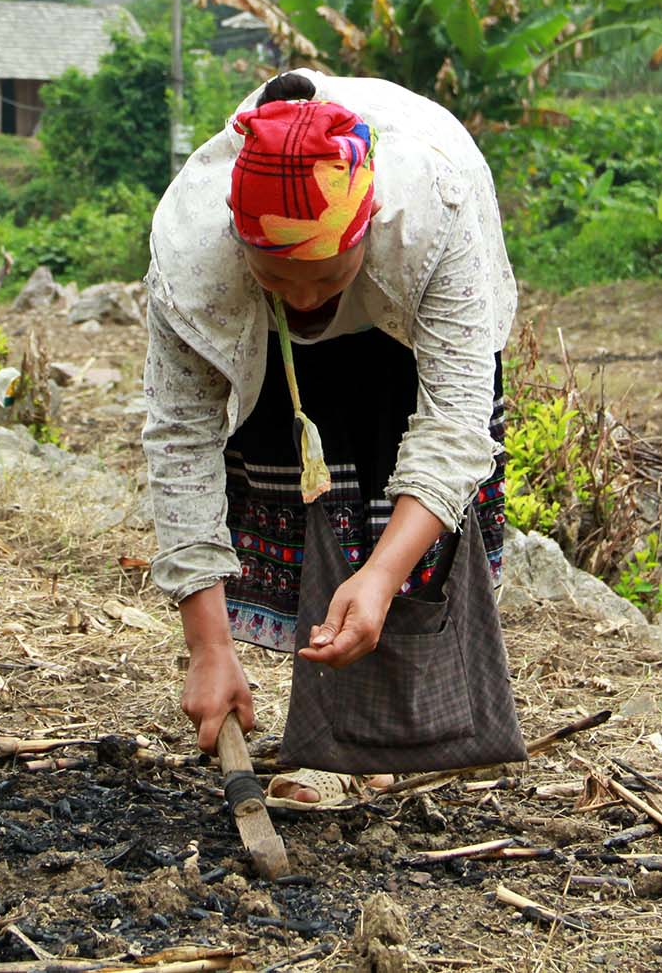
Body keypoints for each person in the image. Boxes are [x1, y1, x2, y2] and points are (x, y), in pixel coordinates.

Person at [142, 67, 518, 799]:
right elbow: (181, 438)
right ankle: (336, 738)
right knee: (313, 479)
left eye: (325, 275)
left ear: (364, 231)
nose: (308, 300)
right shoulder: (196, 260)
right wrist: (207, 645)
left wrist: (380, 576)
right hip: (272, 328)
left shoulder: (430, 215)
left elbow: (453, 422)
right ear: (239, 247)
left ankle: (414, 736)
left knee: (401, 498)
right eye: (281, 278)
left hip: (406, 302)